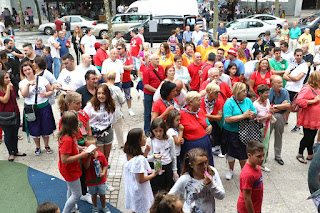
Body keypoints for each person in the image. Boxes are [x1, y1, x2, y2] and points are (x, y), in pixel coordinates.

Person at [169, 148, 225, 212]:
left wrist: (211, 184)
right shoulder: (184, 179)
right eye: (200, 164)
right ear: (191, 165)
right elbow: (169, 198)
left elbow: (221, 196)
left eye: (206, 162)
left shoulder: (212, 172)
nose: (204, 166)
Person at [58, 111, 91, 213]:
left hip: (72, 169)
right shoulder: (67, 139)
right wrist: (81, 155)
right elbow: (64, 159)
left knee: (70, 190)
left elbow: (74, 145)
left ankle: (71, 210)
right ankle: (66, 211)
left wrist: (81, 148)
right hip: (70, 170)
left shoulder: (70, 135)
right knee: (77, 194)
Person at [19, 62, 56, 155]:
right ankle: (37, 147)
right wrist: (28, 85)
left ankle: (47, 146)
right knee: (34, 129)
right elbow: (24, 95)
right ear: (23, 72)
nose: (27, 72)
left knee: (46, 127)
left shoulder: (42, 79)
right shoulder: (22, 83)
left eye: (29, 69)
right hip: (30, 108)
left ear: (33, 69)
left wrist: (45, 94)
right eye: (25, 70)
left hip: (44, 106)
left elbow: (51, 90)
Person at [222, 82, 257, 180]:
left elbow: (254, 111)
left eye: (246, 90)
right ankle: (231, 169)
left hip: (244, 132)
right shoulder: (229, 103)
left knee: (243, 153)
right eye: (243, 91)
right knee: (231, 153)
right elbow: (227, 119)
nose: (245, 93)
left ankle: (244, 171)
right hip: (231, 132)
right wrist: (243, 116)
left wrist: (252, 114)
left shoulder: (248, 101)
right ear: (237, 92)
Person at [123, 128, 160, 213]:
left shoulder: (128, 153)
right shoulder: (139, 159)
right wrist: (154, 173)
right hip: (140, 191)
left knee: (135, 209)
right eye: (143, 137)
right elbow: (141, 179)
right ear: (138, 141)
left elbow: (134, 165)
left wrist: (146, 153)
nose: (146, 138)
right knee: (141, 209)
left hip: (132, 187)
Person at [84, 84, 116, 164]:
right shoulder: (90, 105)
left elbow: (113, 119)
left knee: (106, 159)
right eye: (99, 93)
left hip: (108, 132)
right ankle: (99, 175)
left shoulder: (111, 105)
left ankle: (104, 176)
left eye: (103, 93)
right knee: (100, 158)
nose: (101, 96)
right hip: (96, 134)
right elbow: (84, 118)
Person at [180, 91, 213, 165]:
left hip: (205, 143)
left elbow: (206, 120)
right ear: (190, 102)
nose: (200, 102)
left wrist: (209, 125)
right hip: (192, 147)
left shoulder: (200, 110)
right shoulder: (181, 114)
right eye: (198, 100)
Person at [146, 118, 178, 194]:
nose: (158, 134)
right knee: (154, 190)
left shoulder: (169, 139)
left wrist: (175, 171)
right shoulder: (150, 140)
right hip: (155, 167)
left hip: (167, 167)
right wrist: (154, 156)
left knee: (167, 190)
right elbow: (146, 158)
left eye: (160, 131)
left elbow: (173, 156)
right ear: (152, 130)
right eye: (156, 131)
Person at [0, 70, 25, 162]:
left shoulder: (12, 87)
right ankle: (10, 152)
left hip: (15, 113)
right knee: (8, 134)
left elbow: (14, 99)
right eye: (6, 78)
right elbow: (5, 100)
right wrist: (7, 89)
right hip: (4, 115)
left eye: (8, 77)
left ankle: (16, 150)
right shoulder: (6, 88)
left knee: (15, 133)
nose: (9, 79)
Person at [296, 71, 320, 164]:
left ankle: (310, 154)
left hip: (315, 119)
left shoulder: (317, 88)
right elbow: (299, 101)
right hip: (308, 118)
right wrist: (313, 101)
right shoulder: (307, 88)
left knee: (312, 136)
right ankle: (299, 154)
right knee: (307, 137)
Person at [83, 136, 110, 213]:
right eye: (89, 147)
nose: (91, 149)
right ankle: (95, 207)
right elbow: (86, 167)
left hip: (101, 180)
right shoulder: (85, 156)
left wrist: (104, 172)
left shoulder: (101, 155)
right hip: (91, 180)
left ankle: (104, 206)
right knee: (93, 195)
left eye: (92, 147)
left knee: (102, 194)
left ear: (96, 146)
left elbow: (105, 165)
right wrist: (89, 157)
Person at [283, 49, 308, 132]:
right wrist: (292, 77)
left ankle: (298, 125)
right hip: (288, 88)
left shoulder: (304, 66)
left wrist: (289, 76)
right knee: (287, 106)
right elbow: (284, 76)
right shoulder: (291, 64)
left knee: (298, 108)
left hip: (297, 90)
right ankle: (285, 121)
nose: (299, 57)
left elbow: (298, 78)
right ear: (294, 55)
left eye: (301, 55)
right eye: (297, 55)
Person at [237, 141, 265, 213]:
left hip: (256, 207)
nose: (262, 159)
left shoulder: (257, 165)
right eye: (259, 156)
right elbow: (247, 198)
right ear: (249, 155)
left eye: (263, 155)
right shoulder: (248, 174)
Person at [268, 75, 291, 165]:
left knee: (279, 136)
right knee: (266, 137)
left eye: (281, 82)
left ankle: (278, 156)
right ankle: (263, 156)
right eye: (278, 83)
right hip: (270, 116)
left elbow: (288, 105)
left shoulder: (284, 91)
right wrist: (282, 105)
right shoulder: (269, 91)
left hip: (281, 116)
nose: (281, 84)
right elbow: (269, 108)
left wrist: (276, 106)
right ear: (272, 84)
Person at [143, 54, 165, 135]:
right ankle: (147, 130)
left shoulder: (161, 68)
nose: (158, 60)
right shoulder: (147, 70)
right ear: (151, 60)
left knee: (159, 111)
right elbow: (146, 85)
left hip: (159, 94)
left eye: (158, 59)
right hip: (149, 94)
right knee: (147, 113)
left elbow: (163, 80)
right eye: (156, 59)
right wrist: (157, 91)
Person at [200, 83, 224, 158]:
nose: (218, 94)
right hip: (203, 122)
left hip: (215, 123)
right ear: (210, 93)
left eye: (219, 92)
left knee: (216, 126)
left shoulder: (218, 101)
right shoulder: (201, 101)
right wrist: (213, 116)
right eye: (216, 92)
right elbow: (201, 116)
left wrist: (207, 116)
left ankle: (216, 148)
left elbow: (219, 117)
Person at [253, 84, 273, 172]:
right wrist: (265, 117)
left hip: (266, 127)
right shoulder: (255, 105)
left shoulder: (267, 101)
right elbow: (254, 119)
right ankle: (254, 164)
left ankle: (262, 164)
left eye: (268, 93)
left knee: (265, 145)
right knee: (257, 147)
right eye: (266, 93)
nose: (268, 95)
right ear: (260, 93)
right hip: (257, 128)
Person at [105, 71, 126, 149]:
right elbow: (122, 100)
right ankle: (121, 144)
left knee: (106, 127)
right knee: (118, 128)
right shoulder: (116, 88)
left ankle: (108, 143)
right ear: (114, 79)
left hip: (104, 110)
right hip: (115, 110)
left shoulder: (101, 86)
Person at [117, 43, 135, 116]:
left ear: (123, 49)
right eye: (117, 49)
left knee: (128, 95)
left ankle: (130, 109)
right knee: (118, 96)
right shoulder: (116, 57)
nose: (117, 50)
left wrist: (121, 66)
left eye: (119, 49)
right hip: (118, 80)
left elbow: (131, 67)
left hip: (126, 79)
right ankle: (119, 110)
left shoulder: (128, 57)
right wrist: (125, 67)